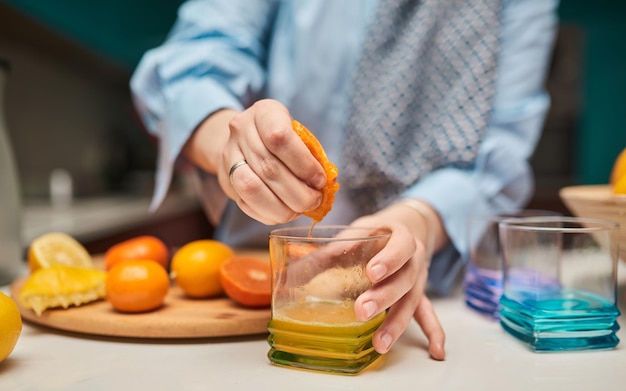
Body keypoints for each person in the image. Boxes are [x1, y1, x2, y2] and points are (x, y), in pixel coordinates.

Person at [130, 0, 559, 361]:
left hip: (420, 302)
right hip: (256, 296)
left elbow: (499, 154)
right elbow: (190, 67)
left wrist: (418, 221)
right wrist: (231, 145)